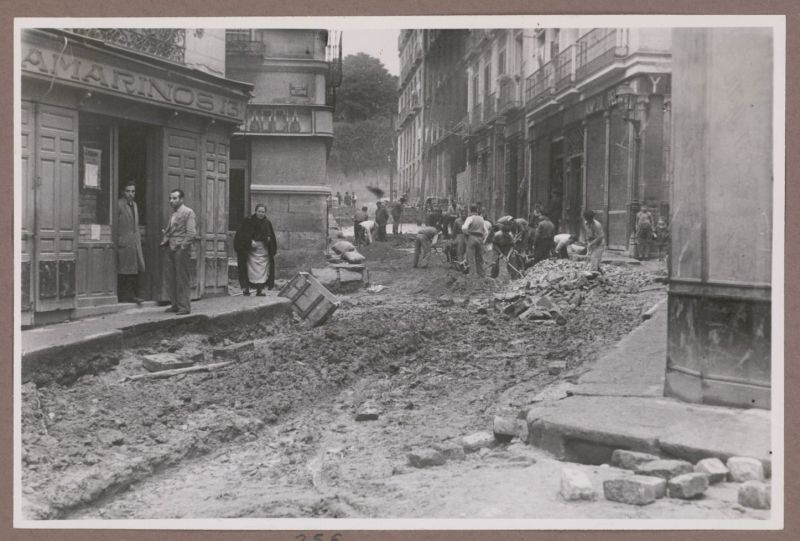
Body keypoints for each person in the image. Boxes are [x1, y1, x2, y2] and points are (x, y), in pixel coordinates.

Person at [161, 189, 197, 315]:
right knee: (171, 278)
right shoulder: (174, 213)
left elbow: (191, 233)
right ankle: (175, 304)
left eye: (175, 198)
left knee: (182, 279)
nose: (171, 201)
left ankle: (184, 307)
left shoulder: (188, 212)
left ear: (182, 199)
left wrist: (182, 248)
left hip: (181, 250)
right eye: (170, 198)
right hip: (171, 248)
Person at [234, 204, 278, 296]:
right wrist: (249, 241)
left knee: (262, 272)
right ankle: (246, 288)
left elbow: (271, 235)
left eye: (263, 212)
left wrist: (269, 239)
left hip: (263, 252)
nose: (261, 213)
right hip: (250, 252)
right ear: (255, 211)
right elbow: (241, 234)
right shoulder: (248, 221)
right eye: (259, 211)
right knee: (248, 269)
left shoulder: (267, 223)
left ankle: (259, 289)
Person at [114, 182, 145, 304]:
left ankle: (132, 295)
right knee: (124, 270)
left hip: (134, 242)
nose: (131, 194)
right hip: (123, 242)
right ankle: (124, 296)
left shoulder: (135, 205)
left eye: (133, 191)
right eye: (128, 191)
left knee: (134, 269)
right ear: (123, 192)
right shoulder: (118, 204)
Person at [462, 205, 486, 277]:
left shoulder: (470, 218)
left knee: (471, 257)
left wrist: (467, 234)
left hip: (472, 237)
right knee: (479, 257)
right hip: (480, 239)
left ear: (470, 210)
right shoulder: (481, 219)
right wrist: (483, 238)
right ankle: (481, 274)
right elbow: (486, 231)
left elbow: (464, 228)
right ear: (477, 210)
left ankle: (472, 274)